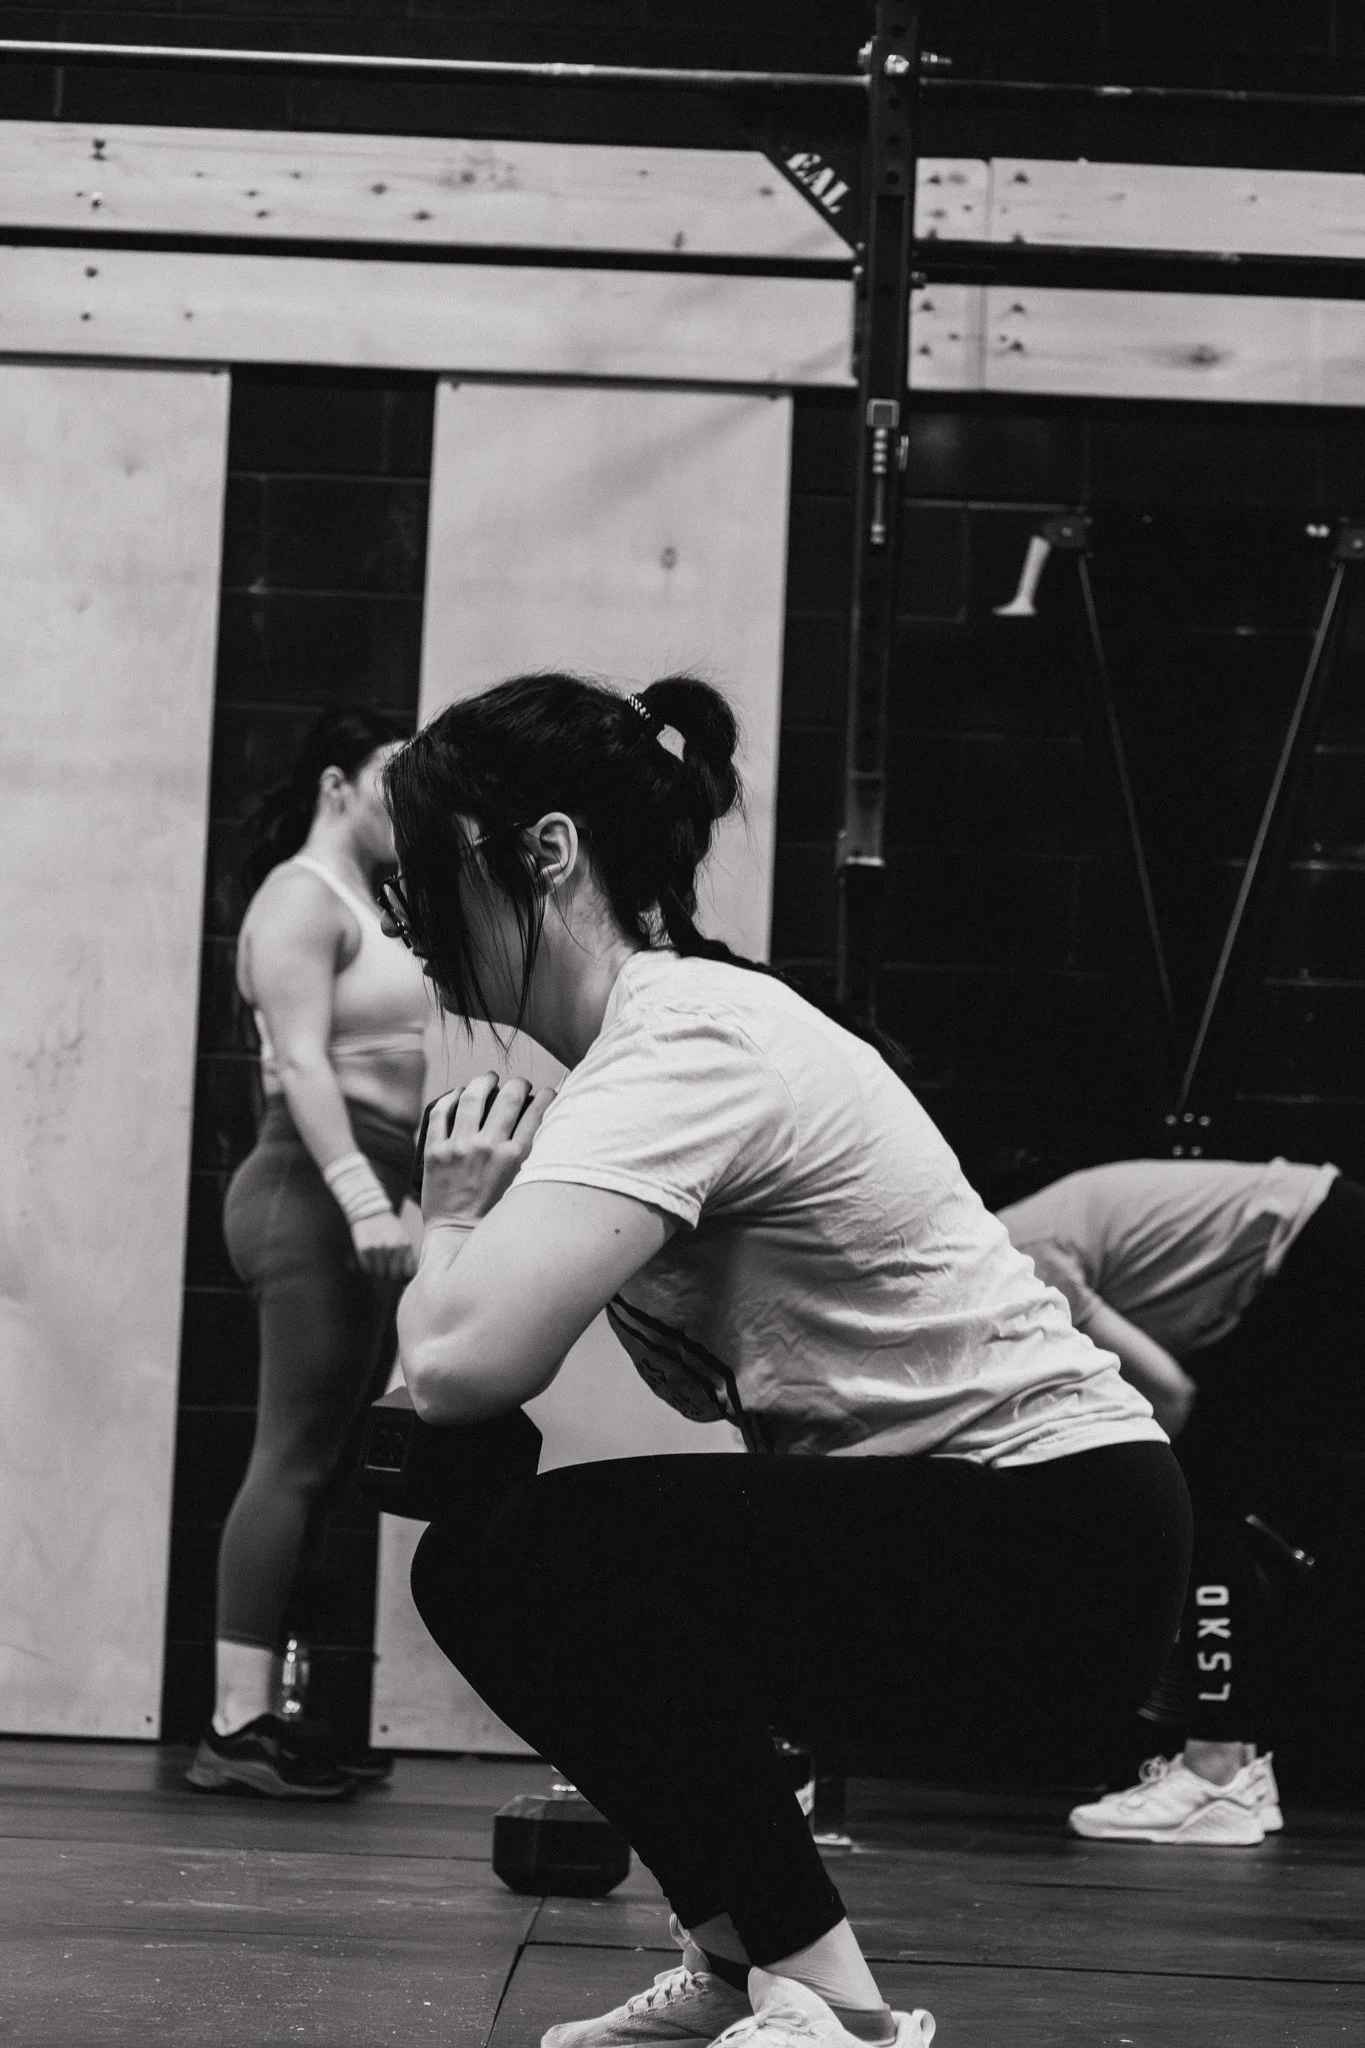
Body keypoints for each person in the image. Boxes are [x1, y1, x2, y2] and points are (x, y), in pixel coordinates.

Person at [379, 670, 1190, 2048]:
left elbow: (456, 1367)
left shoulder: (688, 1038)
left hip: (1059, 1535)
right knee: (481, 1560)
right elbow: (689, 1385)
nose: (409, 915)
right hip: (1010, 1531)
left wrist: (454, 1215)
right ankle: (742, 1957)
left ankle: (838, 2007)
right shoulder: (654, 1051)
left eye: (425, 868)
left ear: (547, 851)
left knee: (549, 1552)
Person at [186, 706, 431, 1800]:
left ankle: (276, 1713)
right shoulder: (300, 897)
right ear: (338, 784)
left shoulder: (372, 904)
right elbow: (299, 1063)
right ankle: (233, 1726)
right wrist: (364, 1202)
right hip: (310, 1191)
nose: (411, 806)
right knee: (289, 1457)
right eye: (393, 781)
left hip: (361, 1192)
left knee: (325, 1466)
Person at [998, 1156, 1362, 1844]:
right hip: (1315, 1246)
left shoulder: (1021, 1264)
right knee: (1216, 1506)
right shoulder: (1018, 1249)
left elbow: (1168, 1397)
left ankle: (1215, 1775)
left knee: (1200, 1505)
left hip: (1320, 1248)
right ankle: (1236, 1768)